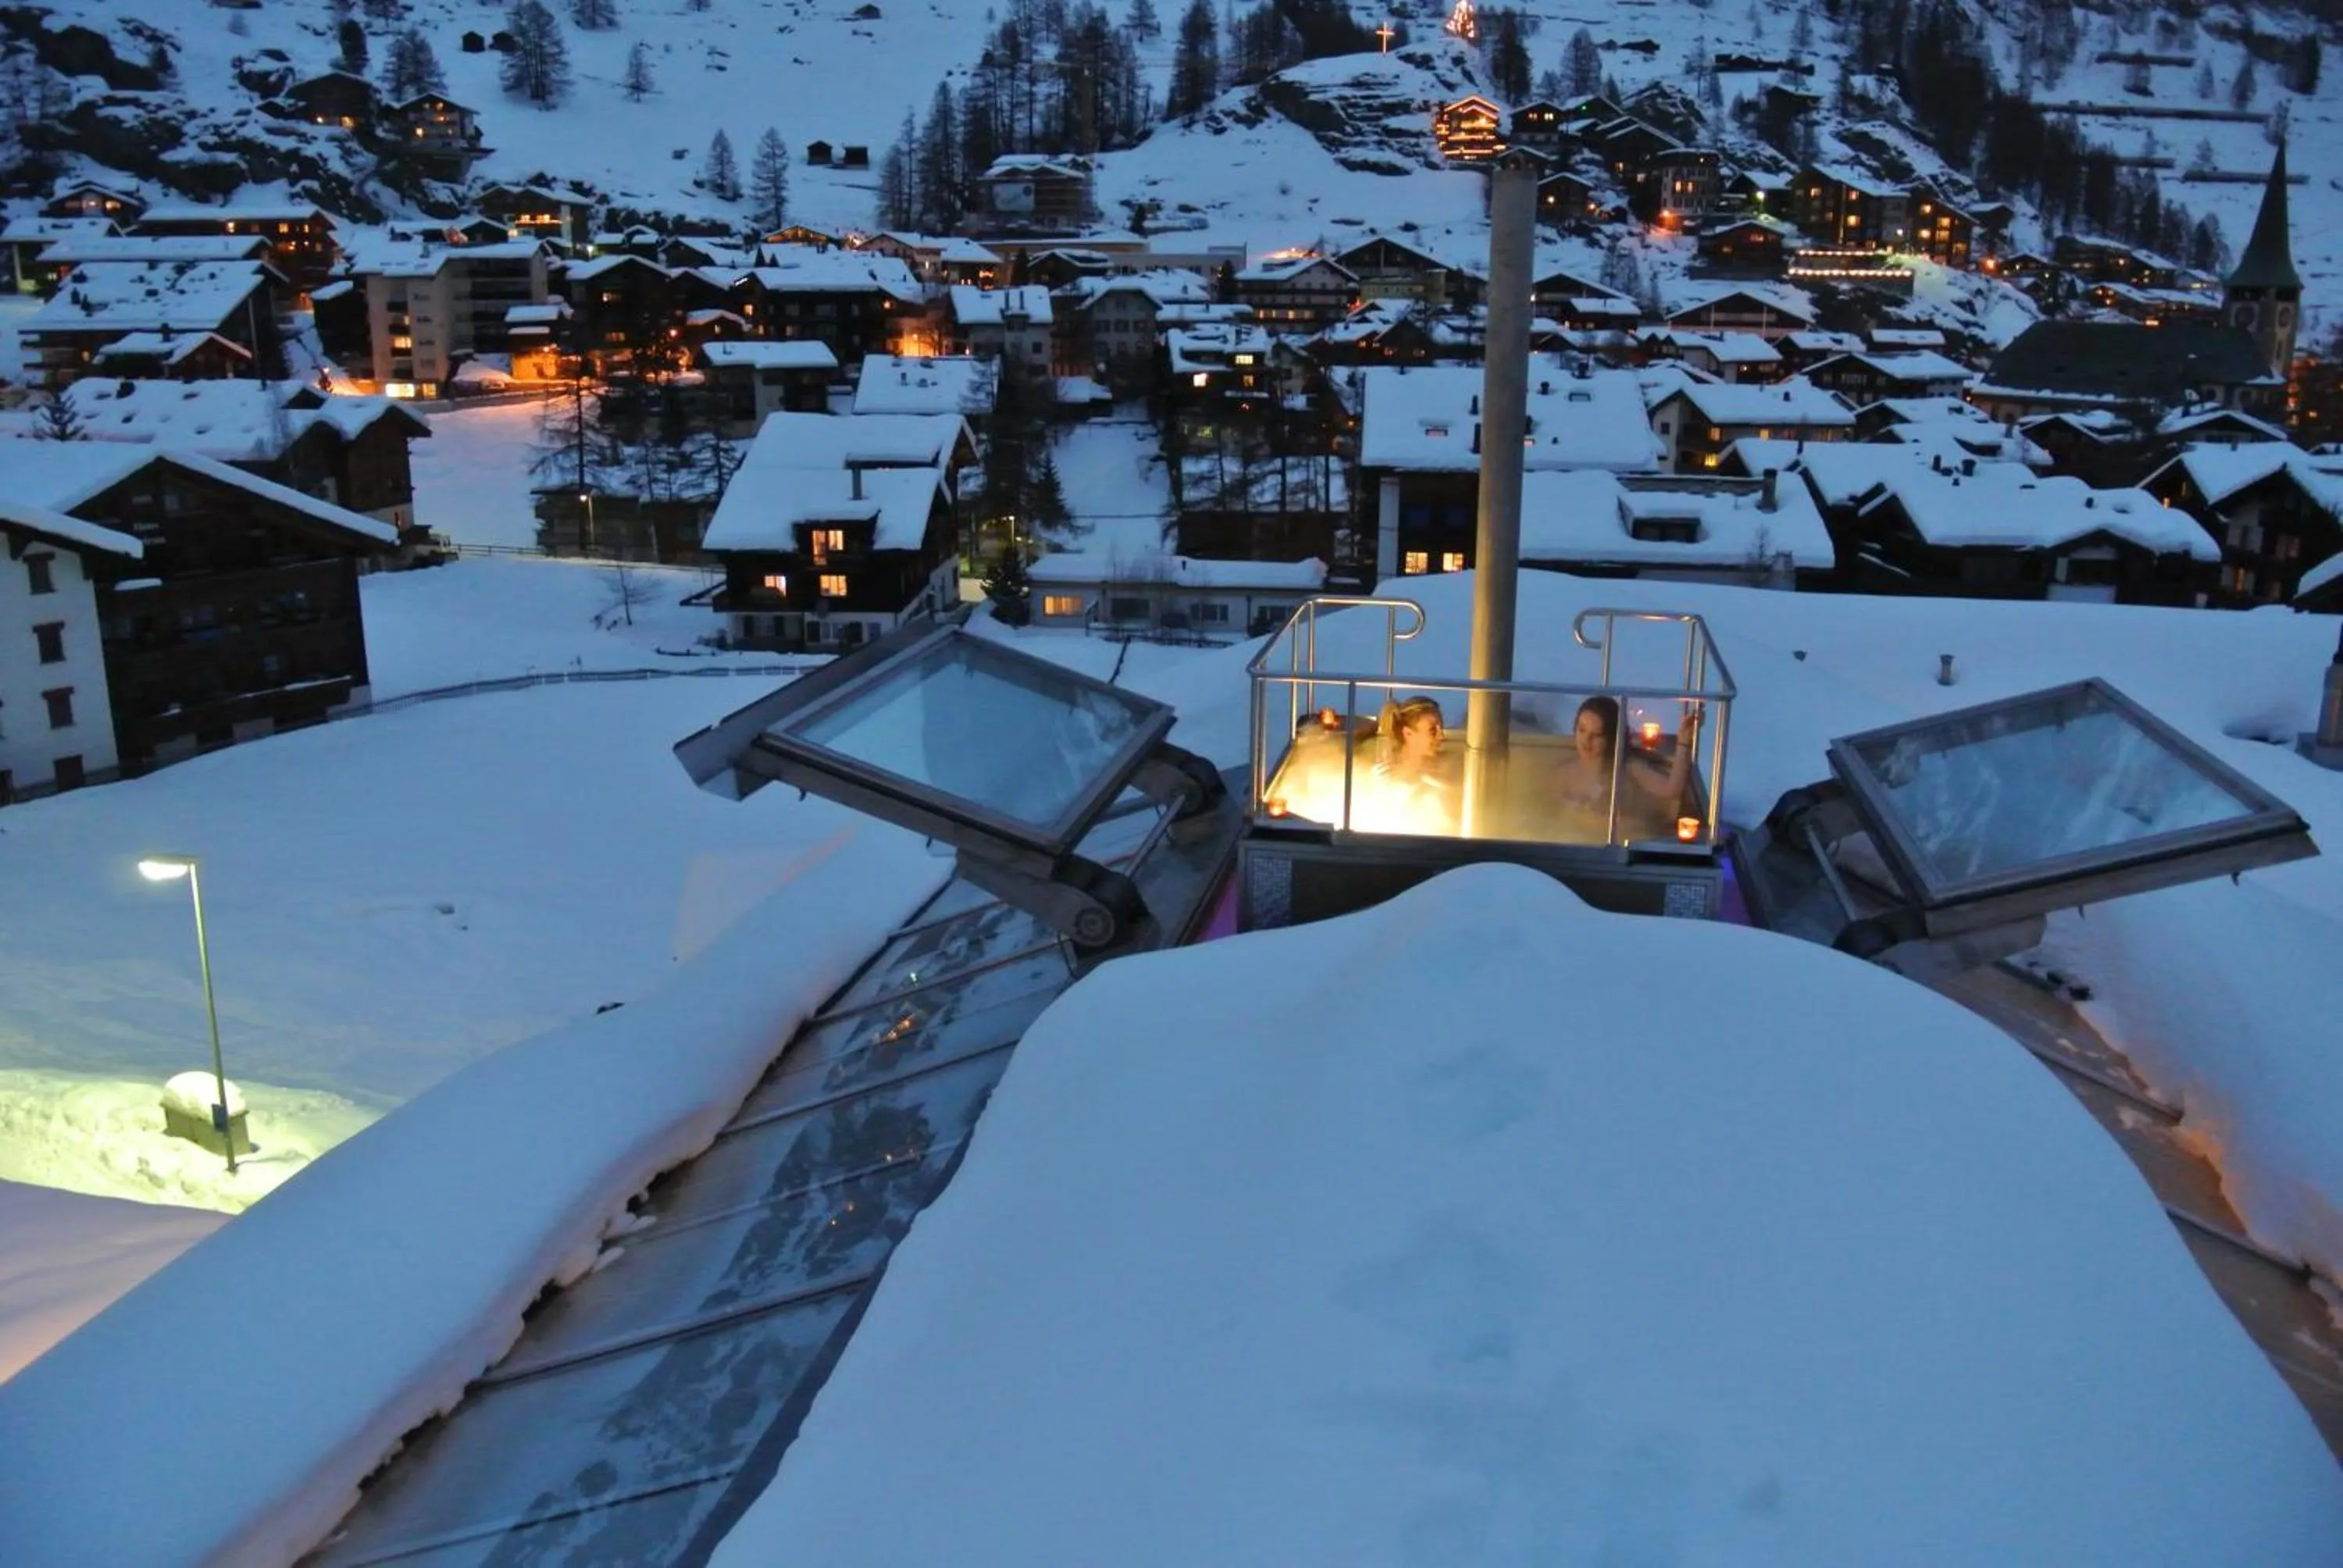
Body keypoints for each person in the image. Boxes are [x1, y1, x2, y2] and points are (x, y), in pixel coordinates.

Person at [1552, 695, 1701, 829]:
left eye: (1597, 735)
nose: (1586, 741)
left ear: (1611, 738)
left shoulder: (1627, 767)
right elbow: (1546, 811)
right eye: (1582, 730)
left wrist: (1684, 742)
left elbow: (1671, 790)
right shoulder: (1564, 772)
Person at [1360, 694, 1456, 833]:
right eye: (1432, 730)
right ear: (1408, 733)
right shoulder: (1383, 778)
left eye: (1442, 728)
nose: (1442, 736)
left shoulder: (1446, 777)